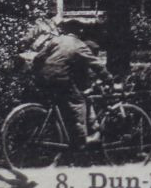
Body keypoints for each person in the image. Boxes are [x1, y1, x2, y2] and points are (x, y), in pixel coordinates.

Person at [31, 18, 115, 148]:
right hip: (61, 79)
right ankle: (82, 140)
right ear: (79, 31)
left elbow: (38, 57)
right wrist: (109, 79)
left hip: (42, 78)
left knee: (64, 103)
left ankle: (62, 134)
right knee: (79, 101)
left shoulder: (56, 40)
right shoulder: (79, 45)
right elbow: (96, 64)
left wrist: (39, 73)